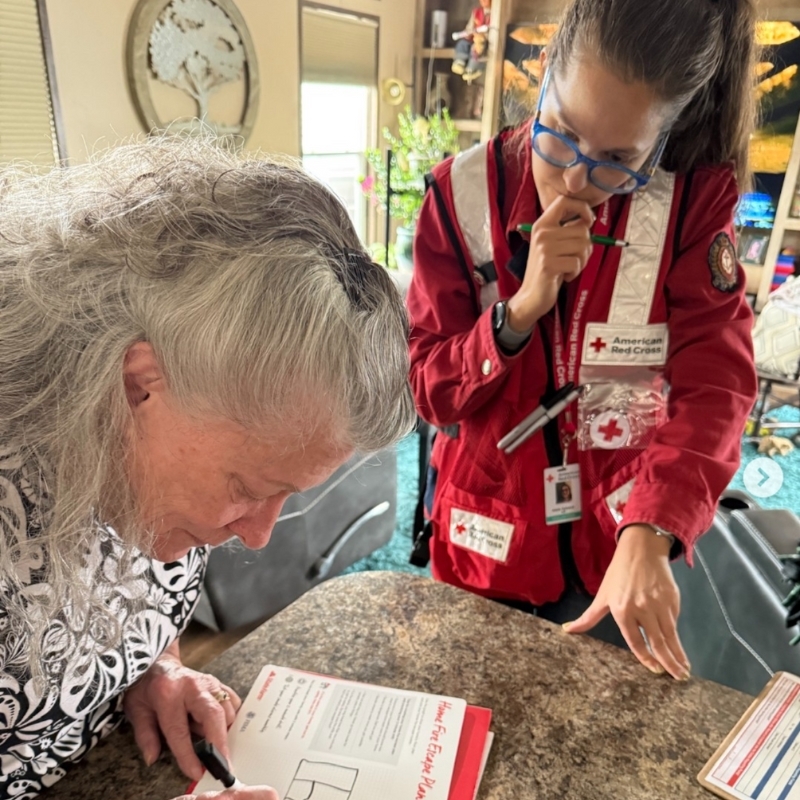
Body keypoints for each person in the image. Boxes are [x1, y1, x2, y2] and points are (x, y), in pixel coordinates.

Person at [0, 135, 415, 798]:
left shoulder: (147, 451)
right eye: (245, 488)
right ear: (139, 384)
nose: (256, 536)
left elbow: (127, 598)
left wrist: (153, 666)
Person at [408, 0, 759, 682]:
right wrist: (515, 315)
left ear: (662, 139)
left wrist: (652, 529)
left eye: (617, 161)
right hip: (484, 543)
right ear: (542, 77)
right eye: (560, 132)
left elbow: (717, 386)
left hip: (613, 549)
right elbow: (428, 390)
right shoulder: (458, 198)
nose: (574, 180)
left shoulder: (687, 204)